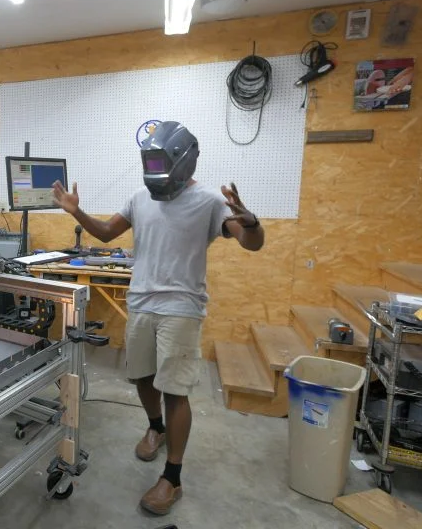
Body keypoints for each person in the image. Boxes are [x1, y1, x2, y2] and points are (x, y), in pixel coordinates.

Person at [52, 121, 264, 516]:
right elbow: (106, 233)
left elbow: (251, 243)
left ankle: (173, 478)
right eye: (149, 163)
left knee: (175, 391)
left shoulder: (209, 201)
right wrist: (76, 210)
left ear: (182, 161)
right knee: (142, 378)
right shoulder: (140, 197)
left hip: (181, 308)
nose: (154, 170)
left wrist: (250, 221)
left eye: (159, 162)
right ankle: (156, 427)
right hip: (141, 303)